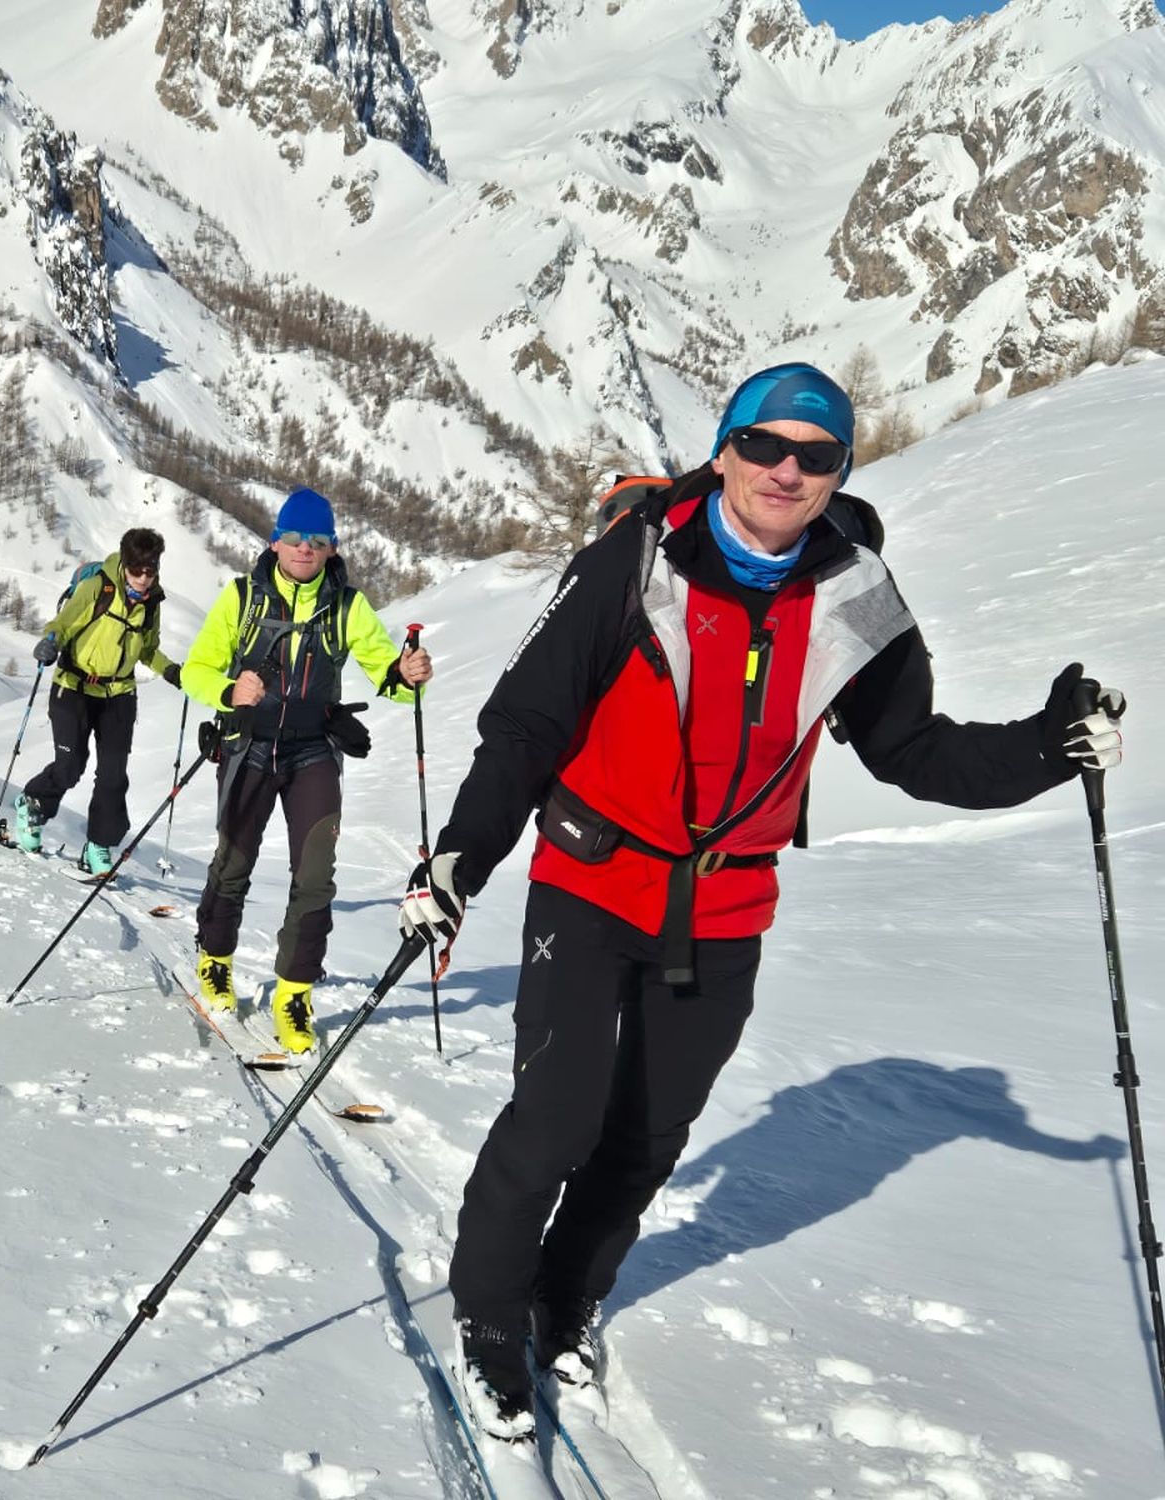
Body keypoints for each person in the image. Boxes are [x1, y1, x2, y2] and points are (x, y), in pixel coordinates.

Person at [394, 362, 1127, 1446]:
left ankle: (567, 1294)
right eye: (765, 445)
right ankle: (491, 1317)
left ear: (839, 471)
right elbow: (526, 727)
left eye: (815, 454)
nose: (787, 470)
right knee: (555, 1118)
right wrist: (458, 860)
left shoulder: (855, 592)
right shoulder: (635, 560)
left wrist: (1045, 746)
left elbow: (914, 751)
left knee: (648, 1134)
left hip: (725, 904)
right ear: (725, 449)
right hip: (593, 879)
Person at [181, 487, 434, 1052]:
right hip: (249, 746)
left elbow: (387, 675)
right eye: (294, 537)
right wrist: (229, 689)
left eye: (317, 540)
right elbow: (197, 668)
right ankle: (215, 958)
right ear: (275, 542)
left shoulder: (347, 606)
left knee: (316, 875)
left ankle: (294, 993)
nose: (304, 548)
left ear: (331, 548)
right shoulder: (242, 598)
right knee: (233, 861)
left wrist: (408, 674)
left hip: (313, 750)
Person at [14, 528, 183, 876]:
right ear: (124, 563)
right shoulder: (98, 588)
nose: (143, 578)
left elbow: (147, 650)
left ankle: (99, 844)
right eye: (136, 570)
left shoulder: (152, 602)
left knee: (113, 775)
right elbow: (61, 624)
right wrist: (49, 642)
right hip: (74, 687)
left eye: (150, 571)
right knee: (70, 766)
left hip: (118, 694)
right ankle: (32, 804)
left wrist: (170, 671)